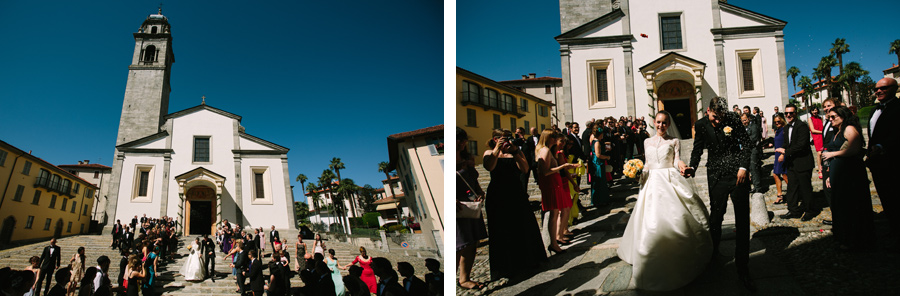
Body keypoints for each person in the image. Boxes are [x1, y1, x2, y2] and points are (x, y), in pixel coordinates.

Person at [617, 111, 712, 291]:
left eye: (665, 123)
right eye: (659, 122)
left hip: (668, 179)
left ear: (669, 124)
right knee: (649, 220)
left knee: (675, 216)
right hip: (650, 181)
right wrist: (638, 171)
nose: (661, 126)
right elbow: (646, 163)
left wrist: (682, 165)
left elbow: (676, 160)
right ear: (654, 122)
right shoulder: (646, 141)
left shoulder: (673, 141)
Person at [686, 97, 755, 291]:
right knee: (716, 218)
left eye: (721, 117)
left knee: (742, 219)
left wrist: (743, 167)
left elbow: (747, 144)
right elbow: (697, 149)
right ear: (708, 111)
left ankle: (743, 268)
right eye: (715, 117)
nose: (718, 121)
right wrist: (692, 166)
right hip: (716, 176)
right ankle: (713, 256)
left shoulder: (733, 119)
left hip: (738, 175)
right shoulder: (700, 125)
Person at [482, 129, 547, 280]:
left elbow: (524, 169)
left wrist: (516, 152)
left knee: (522, 225)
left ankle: (528, 260)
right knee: (502, 229)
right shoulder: (489, 153)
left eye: (506, 138)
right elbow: (489, 167)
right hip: (498, 194)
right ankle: (507, 266)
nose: (505, 141)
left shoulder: (514, 152)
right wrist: (497, 149)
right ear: (494, 139)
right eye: (501, 139)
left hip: (515, 192)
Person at [823, 106, 876, 250]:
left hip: (850, 172)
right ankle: (844, 237)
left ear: (843, 116)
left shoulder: (849, 128)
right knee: (841, 205)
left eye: (834, 116)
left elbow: (854, 149)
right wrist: (829, 175)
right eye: (829, 117)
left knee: (851, 205)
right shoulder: (837, 130)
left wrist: (833, 155)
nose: (830, 119)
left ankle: (855, 240)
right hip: (839, 171)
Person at [866, 77, 900, 246]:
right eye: (876, 88)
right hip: (877, 163)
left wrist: (881, 146)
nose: (878, 91)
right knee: (885, 197)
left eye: (883, 88)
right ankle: (893, 229)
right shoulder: (874, 110)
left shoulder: (898, 108)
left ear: (894, 88)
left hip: (893, 161)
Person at [455, 127, 487, 290]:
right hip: (457, 207)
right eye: (459, 140)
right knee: (459, 244)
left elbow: (473, 180)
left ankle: (464, 278)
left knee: (472, 242)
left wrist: (480, 191)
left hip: (471, 205)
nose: (462, 143)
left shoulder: (467, 158)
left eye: (463, 140)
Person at [775, 103, 816, 221]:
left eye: (791, 113)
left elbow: (801, 145)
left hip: (803, 162)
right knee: (792, 188)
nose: (788, 115)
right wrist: (783, 152)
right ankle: (793, 210)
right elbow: (786, 144)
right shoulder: (786, 127)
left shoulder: (802, 126)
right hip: (792, 163)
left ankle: (810, 210)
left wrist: (785, 152)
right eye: (786, 113)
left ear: (795, 113)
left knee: (805, 189)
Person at [741, 113, 764, 193]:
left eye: (745, 120)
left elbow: (753, 139)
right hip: (748, 150)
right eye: (742, 121)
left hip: (753, 150)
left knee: (754, 168)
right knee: (750, 169)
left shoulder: (754, 126)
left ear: (749, 119)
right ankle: (754, 186)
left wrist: (744, 144)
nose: (744, 122)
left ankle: (758, 187)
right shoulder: (745, 127)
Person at [590, 126, 612, 207]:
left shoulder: (595, 141)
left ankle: (599, 200)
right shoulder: (597, 142)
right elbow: (598, 155)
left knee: (600, 182)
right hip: (598, 164)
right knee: (600, 182)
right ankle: (600, 200)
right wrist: (607, 157)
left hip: (597, 163)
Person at [770, 114, 788, 204]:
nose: (777, 123)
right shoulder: (777, 130)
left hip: (783, 155)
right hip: (777, 155)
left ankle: (796, 192)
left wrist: (783, 154)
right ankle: (780, 195)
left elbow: (786, 143)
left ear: (782, 120)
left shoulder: (785, 130)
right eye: (775, 122)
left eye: (778, 121)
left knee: (785, 175)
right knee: (776, 174)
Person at [808, 107, 825, 179]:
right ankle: (820, 169)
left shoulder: (820, 118)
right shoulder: (810, 119)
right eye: (813, 110)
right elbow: (813, 130)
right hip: (817, 137)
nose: (815, 111)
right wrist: (822, 132)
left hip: (823, 136)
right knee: (819, 153)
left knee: (824, 151)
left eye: (815, 110)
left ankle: (824, 166)